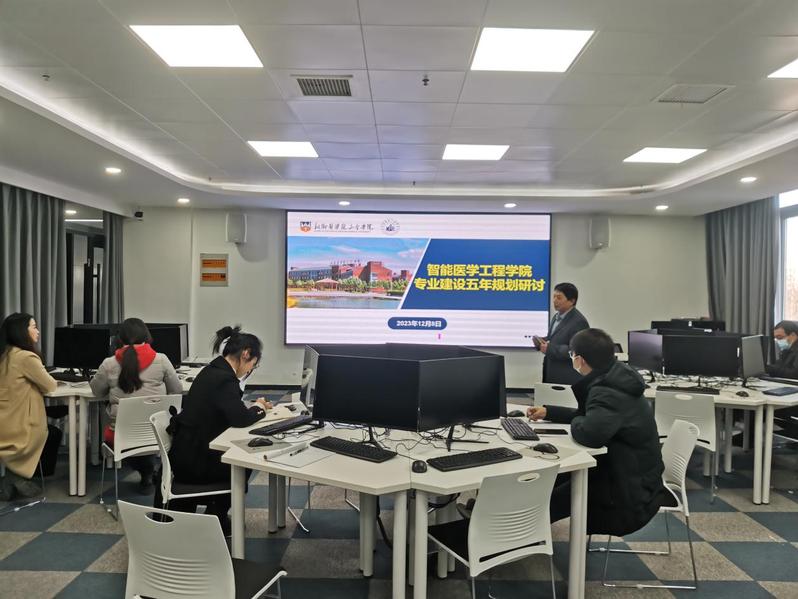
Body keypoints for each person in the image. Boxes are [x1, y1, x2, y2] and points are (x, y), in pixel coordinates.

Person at [527, 328, 668, 536]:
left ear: (580, 360)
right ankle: (515, 529)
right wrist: (549, 412)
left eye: (572, 355)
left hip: (626, 490)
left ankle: (509, 535)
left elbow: (590, 434)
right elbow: (590, 418)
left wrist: (578, 421)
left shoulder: (607, 391)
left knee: (551, 496)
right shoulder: (616, 376)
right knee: (551, 481)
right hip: (631, 473)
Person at [166, 326, 271, 531]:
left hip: (185, 453)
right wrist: (260, 407)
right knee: (244, 458)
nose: (250, 370)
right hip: (194, 463)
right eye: (253, 365)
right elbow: (240, 418)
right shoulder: (224, 379)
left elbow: (228, 411)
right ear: (246, 354)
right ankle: (217, 516)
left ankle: (216, 513)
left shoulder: (212, 370)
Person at [90, 318, 182, 493]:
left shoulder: (109, 363)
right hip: (159, 434)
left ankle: (146, 470)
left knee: (120, 429)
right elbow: (176, 390)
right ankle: (150, 471)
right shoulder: (162, 360)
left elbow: (96, 391)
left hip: (122, 437)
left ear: (119, 338)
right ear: (146, 336)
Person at [0, 313, 63, 500]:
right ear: (21, 332)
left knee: (52, 429)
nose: (37, 331)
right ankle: (16, 478)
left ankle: (14, 478)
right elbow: (50, 386)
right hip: (18, 424)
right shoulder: (25, 357)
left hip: (6, 418)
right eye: (34, 327)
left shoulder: (6, 353)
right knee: (48, 432)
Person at [538, 282, 589, 384]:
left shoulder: (579, 322)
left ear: (572, 301)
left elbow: (576, 351)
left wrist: (550, 348)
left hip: (566, 376)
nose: (554, 300)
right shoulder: (556, 317)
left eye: (559, 298)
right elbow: (555, 338)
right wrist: (541, 341)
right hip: (552, 373)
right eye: (554, 297)